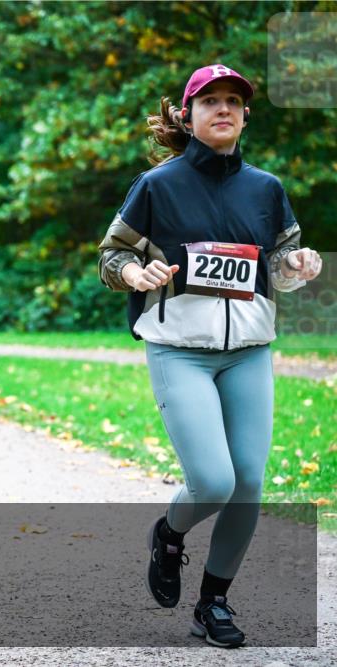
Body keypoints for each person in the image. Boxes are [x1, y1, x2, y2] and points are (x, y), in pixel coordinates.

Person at [98, 64, 323, 649]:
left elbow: (280, 264)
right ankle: (169, 535)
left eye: (234, 101)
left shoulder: (267, 188)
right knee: (214, 481)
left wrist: (299, 267)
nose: (223, 109)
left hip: (249, 353)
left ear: (245, 115)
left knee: (248, 482)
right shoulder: (158, 186)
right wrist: (134, 271)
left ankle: (213, 603)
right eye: (211, 101)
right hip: (181, 352)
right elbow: (111, 257)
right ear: (190, 115)